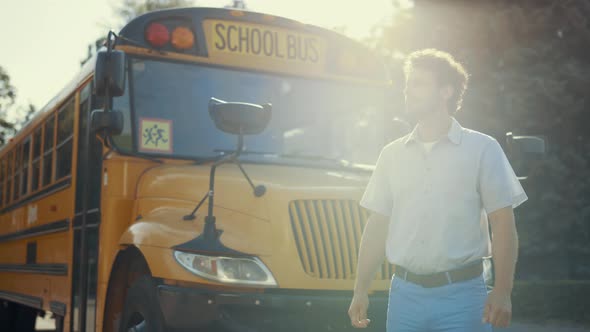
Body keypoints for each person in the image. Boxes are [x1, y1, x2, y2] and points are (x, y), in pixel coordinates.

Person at [348, 49, 527, 331]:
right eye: (408, 83)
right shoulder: (391, 155)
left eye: (418, 82)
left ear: (446, 91)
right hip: (404, 298)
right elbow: (377, 224)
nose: (408, 90)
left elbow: (503, 223)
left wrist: (503, 292)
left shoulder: (483, 149)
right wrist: (360, 289)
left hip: (463, 298)